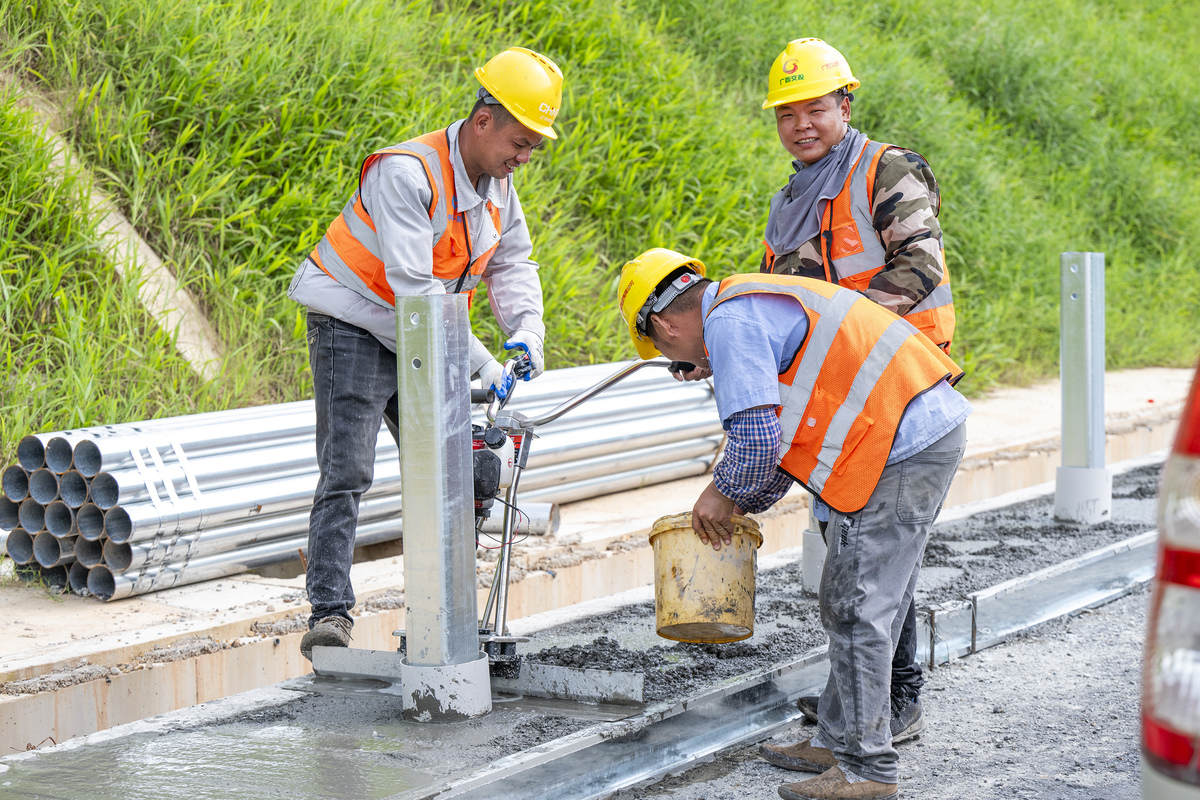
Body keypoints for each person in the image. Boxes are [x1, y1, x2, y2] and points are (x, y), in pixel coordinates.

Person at [616, 248, 971, 800]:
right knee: (873, 594)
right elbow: (779, 449)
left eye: (671, 353)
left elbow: (756, 442)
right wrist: (744, 501)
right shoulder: (746, 303)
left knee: (856, 604)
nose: (690, 366)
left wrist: (719, 495)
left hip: (899, 444)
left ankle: (865, 770)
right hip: (906, 431)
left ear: (663, 325)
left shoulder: (729, 323)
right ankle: (837, 739)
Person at [287, 47, 563, 660]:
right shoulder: (408, 172)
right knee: (347, 470)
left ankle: (446, 611)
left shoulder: (497, 188)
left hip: (423, 330)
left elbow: (514, 263)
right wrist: (487, 365)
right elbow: (417, 294)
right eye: (519, 143)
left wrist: (527, 334)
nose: (522, 159)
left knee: (461, 467)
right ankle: (329, 613)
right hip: (354, 320)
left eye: (532, 149)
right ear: (484, 119)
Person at [759, 37, 958, 744]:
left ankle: (895, 701)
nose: (801, 124)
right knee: (845, 547)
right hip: (842, 398)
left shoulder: (885, 169)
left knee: (873, 555)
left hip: (899, 390)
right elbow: (782, 302)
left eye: (815, 108)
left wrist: (844, 332)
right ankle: (856, 694)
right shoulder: (791, 200)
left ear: (845, 104)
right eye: (787, 113)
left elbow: (920, 266)